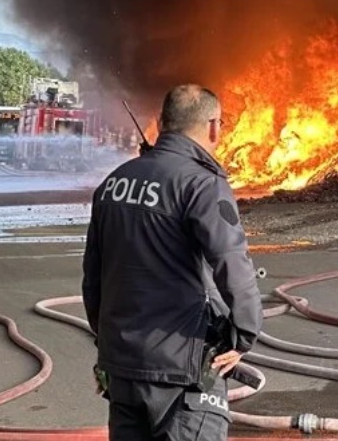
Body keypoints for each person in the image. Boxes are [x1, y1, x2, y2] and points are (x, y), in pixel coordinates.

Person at [82, 84, 264, 440]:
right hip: (181, 368)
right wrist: (244, 335)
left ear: (162, 122)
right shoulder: (201, 184)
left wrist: (108, 340)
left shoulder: (113, 183)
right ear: (213, 126)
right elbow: (231, 262)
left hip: (123, 365)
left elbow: (93, 279)